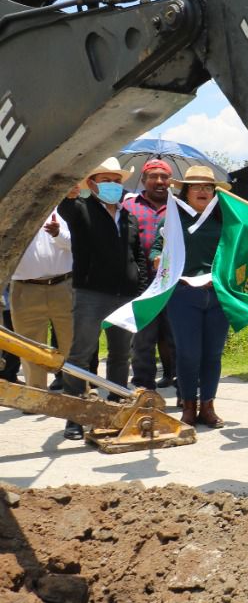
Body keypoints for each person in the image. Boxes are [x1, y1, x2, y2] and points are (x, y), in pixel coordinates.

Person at [57, 158, 147, 440]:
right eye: (106, 180)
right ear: (92, 184)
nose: (113, 185)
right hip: (91, 293)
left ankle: (115, 409)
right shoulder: (80, 209)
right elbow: (65, 208)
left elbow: (137, 256)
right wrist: (68, 194)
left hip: (125, 296)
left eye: (117, 181)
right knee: (80, 355)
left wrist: (140, 288)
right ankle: (75, 417)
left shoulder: (129, 217)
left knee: (120, 354)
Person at [159, 166, 231, 428]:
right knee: (188, 353)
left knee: (213, 354)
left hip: (217, 294)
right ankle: (188, 406)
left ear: (214, 192)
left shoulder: (224, 218)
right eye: (196, 186)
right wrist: (157, 257)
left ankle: (208, 406)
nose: (203, 191)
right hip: (183, 294)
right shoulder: (174, 217)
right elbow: (157, 245)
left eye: (208, 187)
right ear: (186, 191)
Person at [123, 159, 177, 390]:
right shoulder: (128, 207)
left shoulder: (180, 207)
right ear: (143, 180)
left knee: (176, 336)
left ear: (171, 181)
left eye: (164, 177)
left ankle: (181, 385)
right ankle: (143, 386)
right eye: (153, 176)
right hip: (141, 284)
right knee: (143, 338)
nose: (159, 181)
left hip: (174, 283)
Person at [9, 203, 73, 392]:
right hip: (25, 290)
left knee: (72, 346)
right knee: (29, 349)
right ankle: (36, 396)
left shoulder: (63, 210)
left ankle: (77, 393)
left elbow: (79, 244)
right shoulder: (10, 212)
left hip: (64, 286)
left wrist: (58, 234)